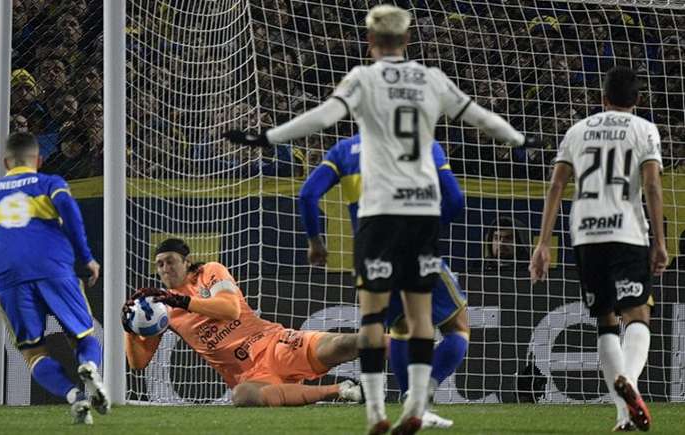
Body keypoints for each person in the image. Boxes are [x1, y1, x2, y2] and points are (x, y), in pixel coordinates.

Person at [224, 5, 534, 434]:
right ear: (409, 40)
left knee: (374, 319)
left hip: (376, 215)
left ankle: (375, 413)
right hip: (420, 211)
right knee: (421, 317)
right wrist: (519, 139)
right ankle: (415, 407)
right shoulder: (431, 79)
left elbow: (324, 117)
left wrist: (269, 137)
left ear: (369, 42)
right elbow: (479, 117)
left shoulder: (362, 79)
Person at [297, 134, 469, 429]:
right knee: (458, 327)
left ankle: (406, 404)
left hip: (372, 255)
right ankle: (423, 389)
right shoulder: (423, 143)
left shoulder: (344, 149)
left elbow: (307, 195)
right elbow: (454, 199)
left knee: (399, 328)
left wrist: (315, 242)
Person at [530, 66, 667, 432]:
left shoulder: (578, 131)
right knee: (637, 315)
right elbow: (652, 186)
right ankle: (630, 384)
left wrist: (543, 243)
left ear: (602, 99)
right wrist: (660, 241)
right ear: (636, 101)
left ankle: (623, 415)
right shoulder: (644, 129)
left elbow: (556, 186)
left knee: (606, 321)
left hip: (586, 234)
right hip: (627, 232)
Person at [0, 132, 108, 424]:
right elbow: (68, 209)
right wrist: (87, 256)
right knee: (82, 335)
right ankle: (89, 367)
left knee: (32, 352)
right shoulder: (49, 182)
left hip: (8, 277)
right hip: (53, 268)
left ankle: (74, 397)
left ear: (5, 163)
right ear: (38, 161)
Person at [122, 238, 363, 407]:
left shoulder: (209, 272)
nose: (165, 268)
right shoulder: (162, 308)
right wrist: (130, 329)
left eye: (170, 261)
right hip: (249, 375)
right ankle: (339, 391)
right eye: (160, 264)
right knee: (243, 397)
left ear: (186, 261)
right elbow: (138, 363)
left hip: (275, 344)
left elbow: (230, 309)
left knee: (346, 343)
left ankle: (400, 345)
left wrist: (182, 301)